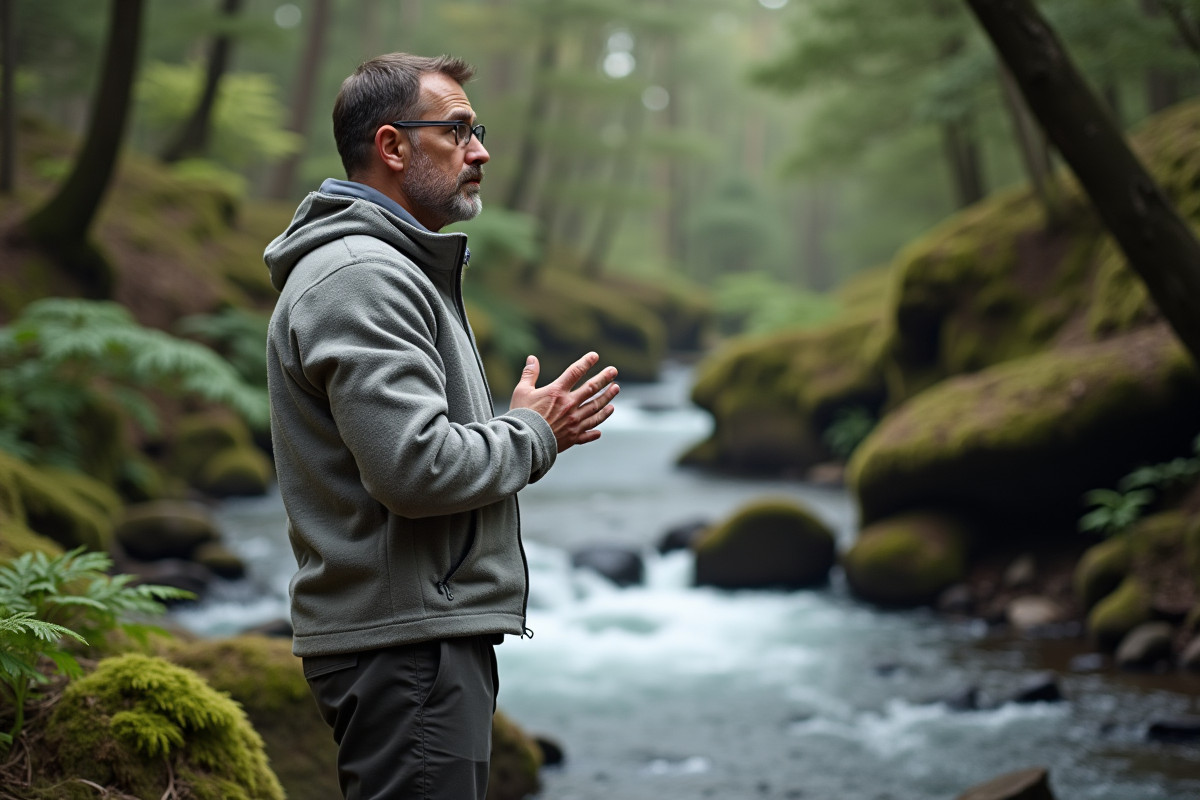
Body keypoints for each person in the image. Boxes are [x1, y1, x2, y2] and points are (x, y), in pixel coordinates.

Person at [263, 53, 619, 800]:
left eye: (476, 129)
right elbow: (414, 468)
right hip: (405, 644)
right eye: (457, 130)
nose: (480, 150)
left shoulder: (387, 266)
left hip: (410, 637)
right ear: (393, 147)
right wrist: (532, 432)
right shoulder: (362, 275)